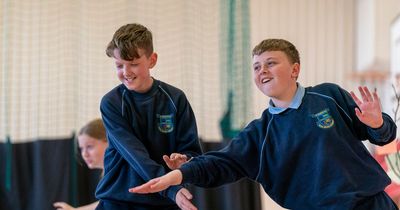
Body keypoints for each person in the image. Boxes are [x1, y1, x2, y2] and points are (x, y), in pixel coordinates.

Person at [130, 39, 399, 210]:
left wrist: (377, 123)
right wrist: (179, 175)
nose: (262, 71)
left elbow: (384, 136)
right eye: (257, 67)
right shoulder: (259, 133)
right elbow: (220, 163)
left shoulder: (328, 96)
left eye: (271, 63)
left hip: (372, 203)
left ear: (295, 69)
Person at [95, 23, 202, 210]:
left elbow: (193, 152)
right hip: (120, 200)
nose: (126, 72)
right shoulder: (111, 102)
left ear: (152, 60)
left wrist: (183, 160)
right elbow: (135, 154)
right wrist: (170, 189)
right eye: (119, 65)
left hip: (165, 201)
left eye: (134, 64)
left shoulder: (175, 98)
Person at [54, 118, 108, 210]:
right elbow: (105, 203)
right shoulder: (107, 172)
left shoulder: (121, 172)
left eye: (89, 147)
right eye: (82, 148)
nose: (84, 154)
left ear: (109, 141)